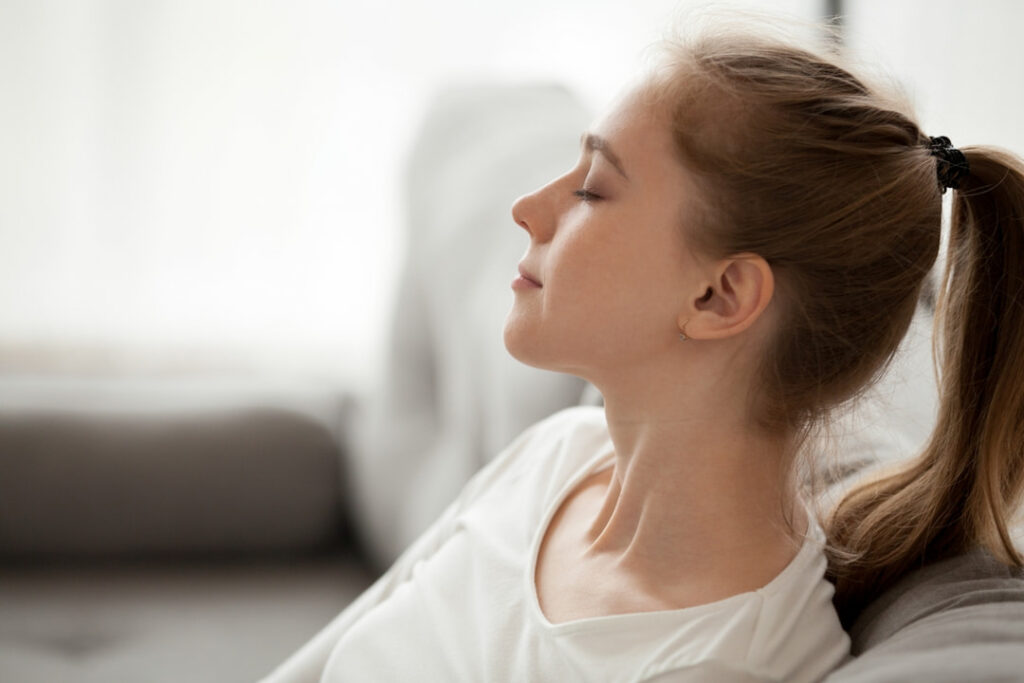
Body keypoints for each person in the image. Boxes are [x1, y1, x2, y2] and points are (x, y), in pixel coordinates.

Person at [262, 19, 1024, 683]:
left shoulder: (721, 663)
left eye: (591, 188)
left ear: (719, 297)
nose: (527, 209)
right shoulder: (558, 457)